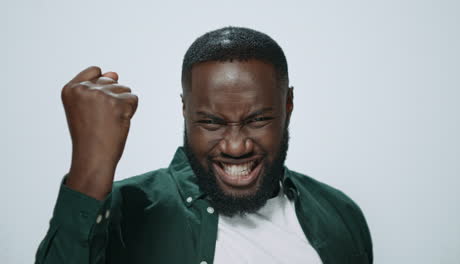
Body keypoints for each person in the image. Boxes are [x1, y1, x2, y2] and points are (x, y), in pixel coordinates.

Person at [35, 26, 373, 264]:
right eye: (212, 122)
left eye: (257, 120)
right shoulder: (124, 211)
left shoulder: (339, 214)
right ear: (185, 110)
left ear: (289, 104)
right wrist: (89, 169)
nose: (237, 146)